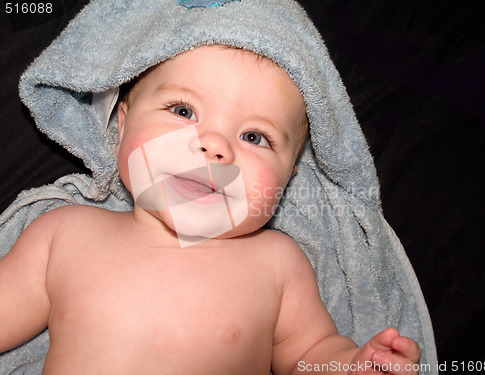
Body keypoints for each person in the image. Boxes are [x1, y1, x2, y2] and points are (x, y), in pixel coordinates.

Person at [0, 45, 420, 374]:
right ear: (122, 125)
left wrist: (351, 365)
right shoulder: (65, 234)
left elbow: (308, 354)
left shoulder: (275, 263)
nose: (215, 146)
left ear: (289, 175)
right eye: (183, 111)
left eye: (255, 137)